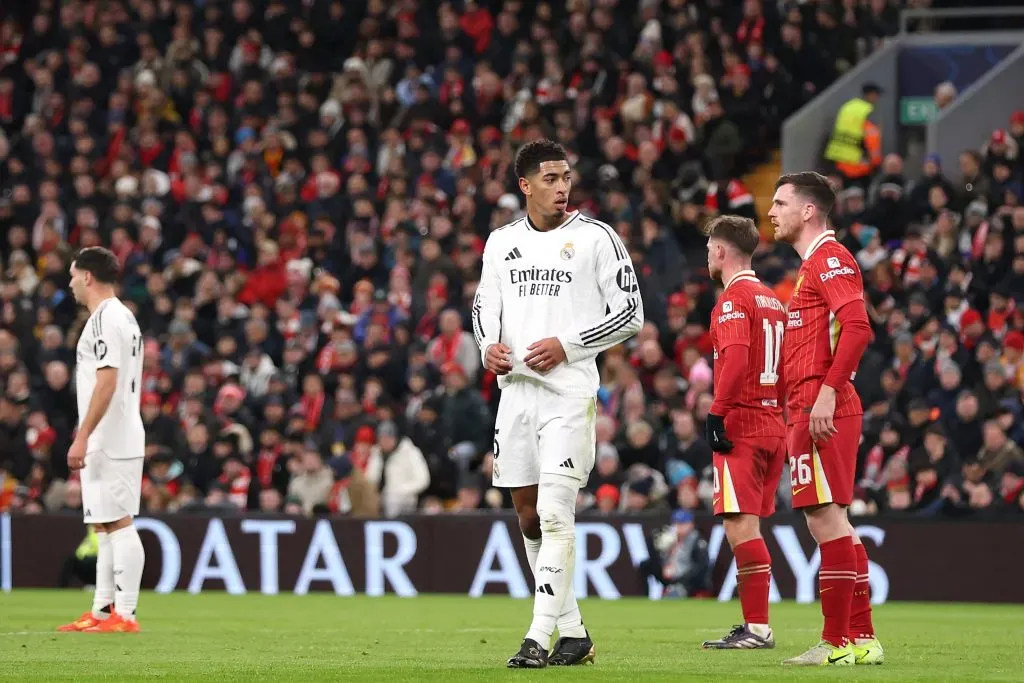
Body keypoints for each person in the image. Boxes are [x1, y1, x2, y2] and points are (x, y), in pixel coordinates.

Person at [473, 139, 644, 668]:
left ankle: (538, 635)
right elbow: (484, 305)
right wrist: (488, 347)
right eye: (549, 178)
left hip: (569, 394)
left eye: (566, 176)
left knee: (553, 512)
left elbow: (631, 312)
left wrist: (567, 346)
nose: (562, 187)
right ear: (524, 185)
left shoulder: (597, 237)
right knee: (527, 517)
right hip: (516, 394)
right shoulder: (501, 243)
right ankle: (574, 633)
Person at [768, 173, 883, 666]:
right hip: (812, 405)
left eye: (780, 203)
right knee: (837, 522)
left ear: (809, 211)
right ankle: (862, 639)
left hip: (822, 407)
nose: (771, 212)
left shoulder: (830, 259)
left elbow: (858, 328)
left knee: (824, 518)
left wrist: (826, 395)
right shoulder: (811, 267)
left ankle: (835, 643)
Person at [699, 215, 786, 650]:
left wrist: (717, 413)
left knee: (740, 526)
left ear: (720, 251)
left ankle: (757, 628)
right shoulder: (773, 300)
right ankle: (756, 626)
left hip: (743, 424)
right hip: (774, 423)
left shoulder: (734, 300)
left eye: (709, 247)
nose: (707, 255)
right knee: (748, 524)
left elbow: (733, 359)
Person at [57, 247, 147, 634]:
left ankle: (125, 614)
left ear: (89, 276)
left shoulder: (108, 319)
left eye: (74, 275)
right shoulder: (115, 317)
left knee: (121, 522)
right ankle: (102, 611)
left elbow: (107, 383)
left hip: (112, 436)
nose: (71, 282)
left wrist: (83, 436)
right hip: (108, 436)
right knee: (105, 526)